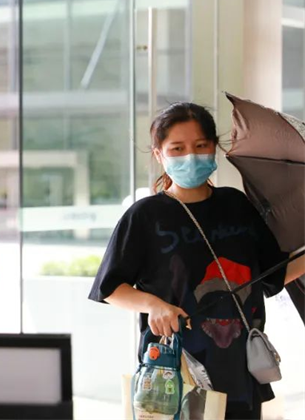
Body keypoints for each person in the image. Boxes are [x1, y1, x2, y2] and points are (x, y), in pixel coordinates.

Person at [88, 102, 305, 420]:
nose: (191, 156)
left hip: (241, 368)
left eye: (201, 145)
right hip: (176, 371)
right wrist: (154, 305)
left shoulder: (237, 205)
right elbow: (109, 288)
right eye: (177, 148)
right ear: (159, 154)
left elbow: (270, 276)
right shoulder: (145, 215)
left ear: (214, 147)